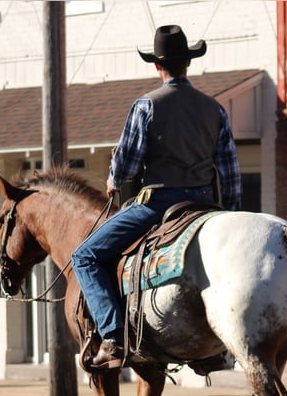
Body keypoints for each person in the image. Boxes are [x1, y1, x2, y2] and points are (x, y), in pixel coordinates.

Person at [71, 24, 242, 372]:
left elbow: (129, 165)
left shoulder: (146, 105)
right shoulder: (215, 109)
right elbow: (230, 171)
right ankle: (212, 348)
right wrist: (229, 213)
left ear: (157, 66)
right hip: (207, 207)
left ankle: (113, 338)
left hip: (159, 205)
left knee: (85, 256)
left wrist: (113, 179)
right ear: (188, 64)